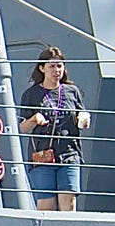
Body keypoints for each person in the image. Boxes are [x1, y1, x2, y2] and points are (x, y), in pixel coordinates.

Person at [16, 47, 87, 211]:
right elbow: (21, 127)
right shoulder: (31, 94)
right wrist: (34, 119)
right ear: (42, 68)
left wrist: (83, 118)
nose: (56, 71)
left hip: (69, 153)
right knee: (46, 205)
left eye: (59, 66)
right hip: (42, 155)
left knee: (68, 204)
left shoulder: (72, 91)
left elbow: (81, 113)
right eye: (52, 66)